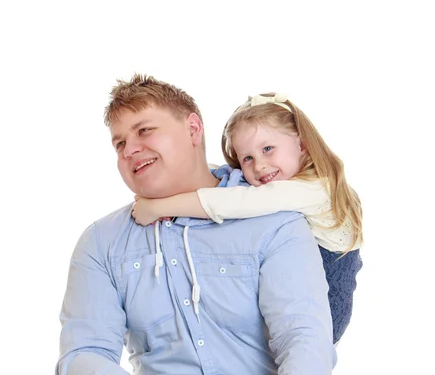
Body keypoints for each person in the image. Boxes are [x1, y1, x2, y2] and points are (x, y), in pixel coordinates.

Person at [56, 74, 393, 375]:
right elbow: (80, 355)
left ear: (193, 128)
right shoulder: (102, 241)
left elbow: (303, 337)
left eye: (145, 131)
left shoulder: (274, 214)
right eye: (119, 142)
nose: (130, 149)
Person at [131, 92, 363, 344]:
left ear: (302, 145)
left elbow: (234, 202)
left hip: (324, 313)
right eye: (248, 158)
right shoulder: (304, 183)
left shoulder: (314, 190)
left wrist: (157, 207)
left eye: (268, 149)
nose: (259, 166)